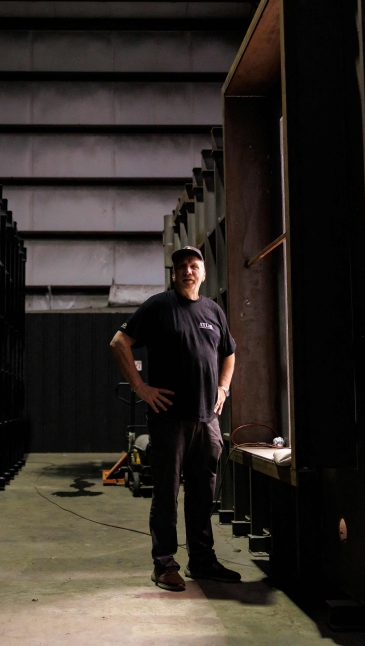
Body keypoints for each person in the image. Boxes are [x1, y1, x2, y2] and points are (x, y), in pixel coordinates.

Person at [109, 246, 240, 592]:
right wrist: (141, 388)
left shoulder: (213, 310)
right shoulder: (158, 307)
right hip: (169, 421)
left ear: (203, 272)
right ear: (174, 273)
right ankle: (164, 565)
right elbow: (118, 342)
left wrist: (223, 389)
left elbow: (229, 352)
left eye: (194, 265)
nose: (188, 271)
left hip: (207, 421)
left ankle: (202, 560)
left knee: (202, 493)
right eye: (181, 266)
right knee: (166, 495)